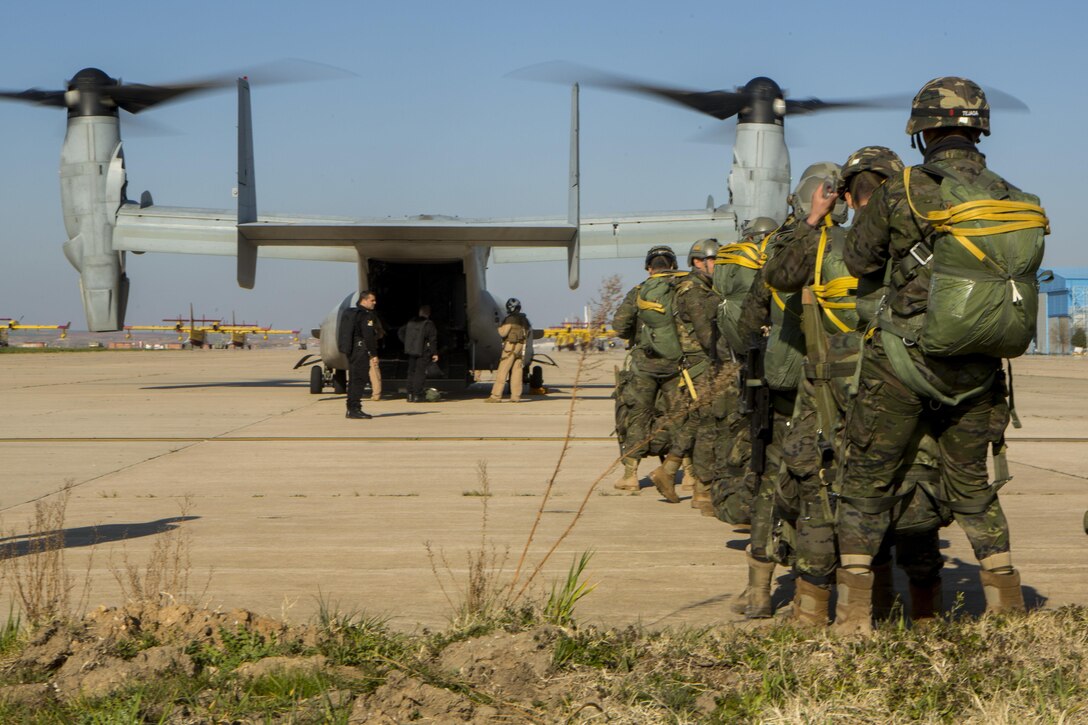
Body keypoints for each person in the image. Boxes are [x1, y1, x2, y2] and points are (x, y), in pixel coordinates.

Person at [814, 77, 1048, 632]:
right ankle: (1008, 607)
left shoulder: (904, 188)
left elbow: (862, 261)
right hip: (977, 368)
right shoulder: (1011, 195)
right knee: (971, 486)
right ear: (979, 127)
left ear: (921, 130)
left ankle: (852, 620)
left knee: (867, 481)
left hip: (902, 363)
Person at [649, 238, 735, 514]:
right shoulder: (695, 292)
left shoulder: (702, 288)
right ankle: (702, 490)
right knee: (708, 424)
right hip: (702, 364)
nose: (718, 267)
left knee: (698, 420)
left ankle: (669, 468)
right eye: (714, 261)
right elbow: (707, 336)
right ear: (699, 262)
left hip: (702, 363)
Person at [611, 246, 687, 490]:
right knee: (681, 416)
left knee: (637, 415)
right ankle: (692, 475)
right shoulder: (683, 289)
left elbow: (620, 326)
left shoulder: (639, 292)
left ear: (648, 268)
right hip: (678, 365)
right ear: (674, 266)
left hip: (644, 364)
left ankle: (631, 476)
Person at [336, 290, 379, 420]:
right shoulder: (365, 315)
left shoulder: (351, 313)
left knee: (354, 379)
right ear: (364, 300)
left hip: (352, 350)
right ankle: (355, 408)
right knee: (358, 380)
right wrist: (374, 354)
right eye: (372, 300)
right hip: (361, 351)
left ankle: (351, 408)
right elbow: (368, 336)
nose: (374, 303)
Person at [488, 298, 531, 403]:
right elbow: (528, 333)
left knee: (502, 371)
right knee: (517, 372)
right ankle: (516, 396)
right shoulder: (524, 320)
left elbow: (503, 333)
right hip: (520, 348)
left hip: (509, 347)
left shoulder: (510, 319)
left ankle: (496, 396)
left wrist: (498, 326)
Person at [400, 305, 438, 403]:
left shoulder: (411, 322)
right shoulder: (428, 324)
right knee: (420, 373)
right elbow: (433, 339)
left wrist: (407, 342)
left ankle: (409, 394)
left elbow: (400, 332)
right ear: (428, 314)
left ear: (420, 312)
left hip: (411, 351)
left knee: (411, 372)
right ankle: (417, 395)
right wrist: (434, 353)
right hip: (423, 351)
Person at [368, 315, 386, 401]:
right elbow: (380, 333)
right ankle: (376, 393)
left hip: (360, 348)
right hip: (371, 347)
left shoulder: (358, 316)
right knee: (374, 372)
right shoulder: (373, 318)